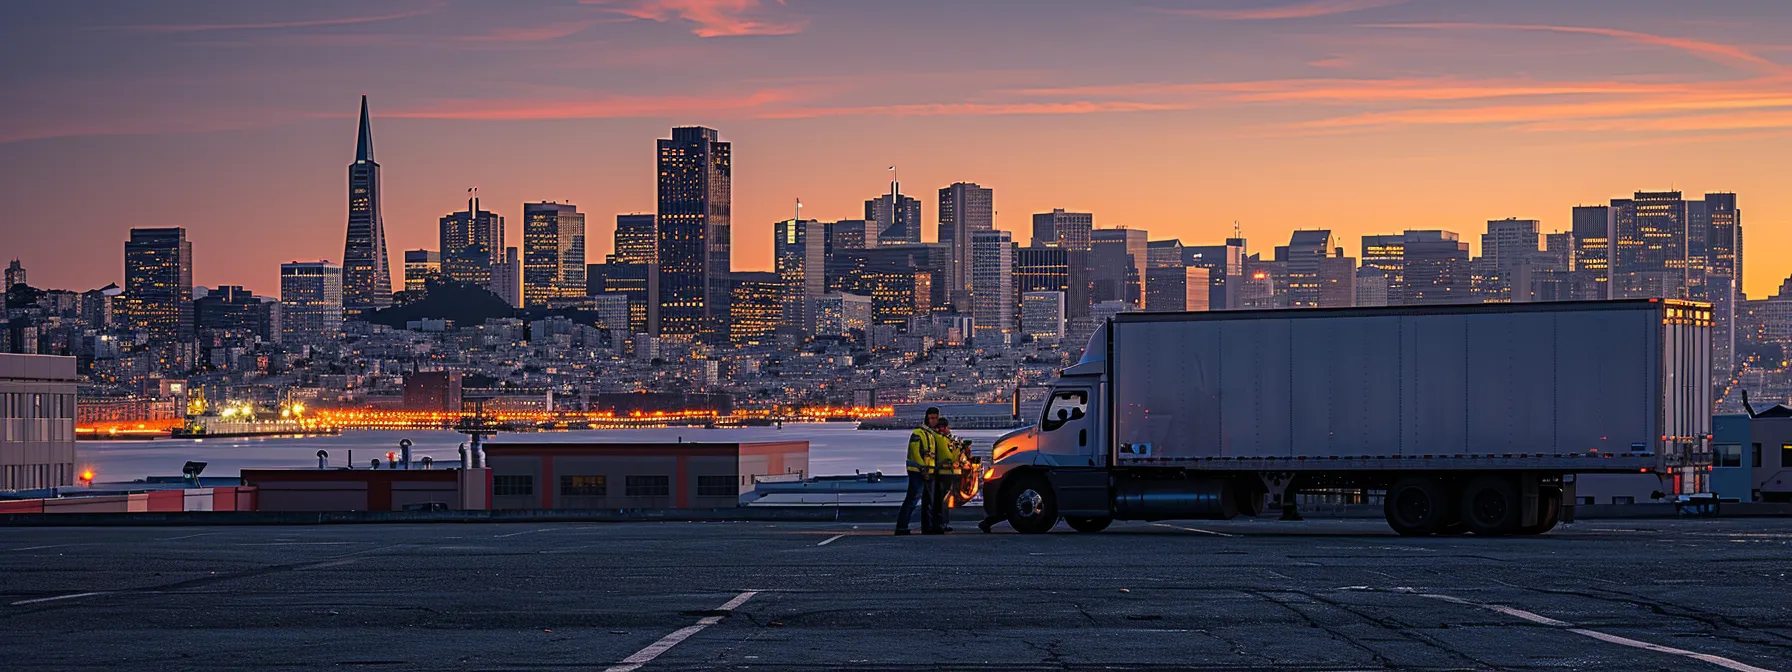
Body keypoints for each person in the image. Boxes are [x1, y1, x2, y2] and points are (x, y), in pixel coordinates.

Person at [895, 407, 940, 535]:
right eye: (931, 418)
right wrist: (923, 468)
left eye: (935, 418)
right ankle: (901, 527)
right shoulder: (918, 433)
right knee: (912, 499)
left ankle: (927, 527)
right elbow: (915, 453)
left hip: (928, 472)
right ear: (926, 418)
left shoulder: (931, 434)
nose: (933, 420)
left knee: (928, 502)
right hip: (917, 471)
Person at [927, 417, 961, 534]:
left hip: (946, 473)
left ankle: (942, 523)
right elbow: (949, 456)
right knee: (941, 501)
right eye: (944, 427)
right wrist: (959, 450)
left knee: (943, 501)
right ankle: (939, 524)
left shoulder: (945, 438)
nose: (947, 429)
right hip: (943, 473)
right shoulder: (940, 439)